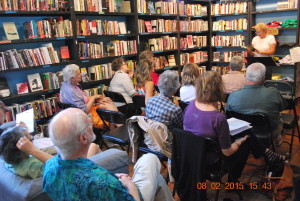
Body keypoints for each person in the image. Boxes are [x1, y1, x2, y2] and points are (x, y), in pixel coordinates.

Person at [43, 108, 174, 201]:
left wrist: (111, 178)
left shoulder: (49, 169)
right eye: (88, 123)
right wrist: (130, 186)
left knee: (157, 179)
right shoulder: (103, 183)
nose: (92, 122)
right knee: (150, 158)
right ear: (83, 138)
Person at [183, 71, 289, 182]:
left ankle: (268, 154)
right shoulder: (218, 118)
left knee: (245, 132)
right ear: (219, 89)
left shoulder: (190, 105)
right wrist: (239, 142)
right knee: (246, 139)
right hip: (212, 162)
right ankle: (233, 182)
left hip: (192, 155)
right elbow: (227, 152)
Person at [0, 125, 101, 179]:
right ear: (21, 147)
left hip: (65, 164)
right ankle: (102, 171)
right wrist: (32, 149)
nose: (32, 142)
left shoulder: (11, 160)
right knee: (93, 146)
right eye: (31, 140)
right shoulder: (32, 167)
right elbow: (61, 165)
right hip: (74, 171)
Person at [226, 62, 287, 146]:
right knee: (278, 115)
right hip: (267, 132)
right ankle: (277, 139)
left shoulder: (233, 95)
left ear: (245, 76)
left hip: (240, 133)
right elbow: (281, 108)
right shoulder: (273, 93)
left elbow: (228, 114)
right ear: (263, 78)